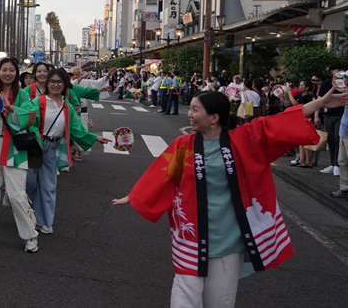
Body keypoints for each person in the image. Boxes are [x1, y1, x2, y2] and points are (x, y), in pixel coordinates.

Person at [113, 89, 348, 307]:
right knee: (184, 295)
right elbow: (161, 174)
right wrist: (135, 196)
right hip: (191, 232)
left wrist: (320, 103)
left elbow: (276, 124)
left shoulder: (243, 138)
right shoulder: (183, 145)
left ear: (214, 118)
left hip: (228, 237)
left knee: (220, 300)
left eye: (195, 110)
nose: (190, 115)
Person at [21, 68, 110, 234]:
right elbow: (27, 120)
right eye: (52, 81)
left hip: (52, 147)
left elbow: (76, 129)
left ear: (65, 84)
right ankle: (18, 205)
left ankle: (45, 222)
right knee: (30, 183)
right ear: (47, 83)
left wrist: (95, 138)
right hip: (35, 146)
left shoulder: (67, 106)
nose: (55, 85)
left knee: (48, 186)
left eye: (59, 82)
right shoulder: (38, 101)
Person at [0, 57, 39, 253]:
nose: (7, 73)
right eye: (4, 70)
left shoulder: (22, 95)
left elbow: (31, 116)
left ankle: (30, 236)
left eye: (11, 70)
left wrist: (10, 108)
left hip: (16, 151)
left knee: (18, 196)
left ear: (16, 73)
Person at [317, 63, 345, 176]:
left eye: (343, 69)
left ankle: (337, 165)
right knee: (331, 140)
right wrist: (316, 115)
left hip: (341, 115)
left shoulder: (345, 83)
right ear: (332, 71)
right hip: (328, 115)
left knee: (338, 139)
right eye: (339, 69)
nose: (341, 71)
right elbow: (319, 100)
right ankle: (333, 164)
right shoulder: (326, 84)